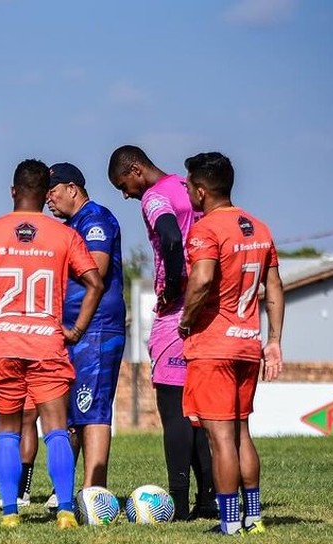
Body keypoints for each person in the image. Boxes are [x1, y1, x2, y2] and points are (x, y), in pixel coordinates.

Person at [0, 159, 104, 529]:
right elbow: (95, 282)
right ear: (45, 192)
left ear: (13, 191)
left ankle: (9, 512)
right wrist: (77, 330)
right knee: (55, 428)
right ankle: (65, 510)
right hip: (47, 342)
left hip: (4, 343)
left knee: (8, 429)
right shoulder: (65, 235)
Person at [177, 152, 284, 536]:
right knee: (241, 432)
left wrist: (186, 320)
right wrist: (273, 340)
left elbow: (203, 279)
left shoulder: (206, 229)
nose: (187, 189)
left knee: (219, 436)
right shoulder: (259, 227)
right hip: (247, 344)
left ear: (202, 191)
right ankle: (253, 516)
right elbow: (274, 287)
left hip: (214, 345)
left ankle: (228, 522)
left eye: (189, 184)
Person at [108, 145, 217, 520]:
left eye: (124, 184)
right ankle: (209, 501)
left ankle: (181, 506)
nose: (126, 194)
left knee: (175, 413)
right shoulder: (191, 187)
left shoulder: (155, 197)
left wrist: (172, 285)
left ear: (136, 169)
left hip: (176, 315)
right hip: (208, 311)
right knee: (203, 413)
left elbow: (170, 237)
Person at [46, 162, 126, 491]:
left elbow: (97, 268)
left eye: (52, 192)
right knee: (71, 415)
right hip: (72, 330)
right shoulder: (71, 224)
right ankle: (65, 490)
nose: (48, 200)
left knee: (92, 410)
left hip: (97, 329)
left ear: (72, 189)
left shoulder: (96, 219)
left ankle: (95, 492)